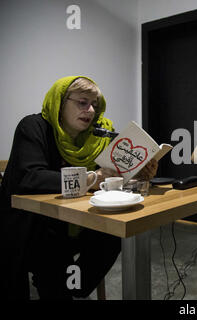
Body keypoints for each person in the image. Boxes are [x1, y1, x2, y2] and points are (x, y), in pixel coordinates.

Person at [0, 76, 158, 299]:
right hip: (30, 224)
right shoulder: (33, 126)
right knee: (52, 251)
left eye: (95, 104)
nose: (91, 110)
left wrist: (139, 172)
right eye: (82, 103)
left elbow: (109, 176)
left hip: (72, 221)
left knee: (113, 232)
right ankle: (60, 286)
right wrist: (92, 178)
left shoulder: (95, 137)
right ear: (61, 103)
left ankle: (75, 286)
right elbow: (31, 178)